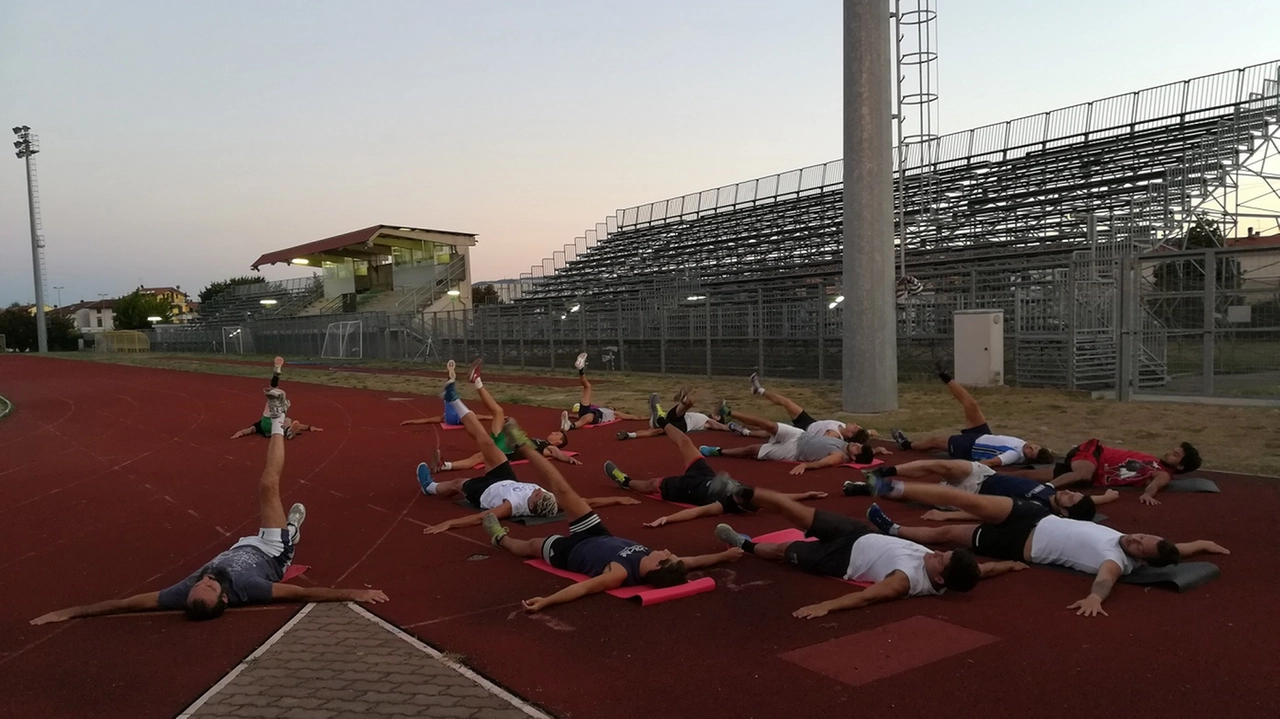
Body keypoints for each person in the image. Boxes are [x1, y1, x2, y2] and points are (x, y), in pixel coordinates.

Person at [30, 389, 389, 625]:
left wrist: (71, 612)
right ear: (225, 599)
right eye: (209, 586)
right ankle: (280, 419)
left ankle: (293, 524)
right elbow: (306, 593)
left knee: (272, 502)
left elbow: (128, 604)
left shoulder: (181, 593)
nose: (205, 579)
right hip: (272, 549)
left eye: (200, 583)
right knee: (267, 485)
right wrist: (354, 592)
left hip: (243, 544)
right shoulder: (250, 588)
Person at [482, 417, 744, 612]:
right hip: (595, 532)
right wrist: (725, 555)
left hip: (569, 552)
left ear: (655, 566)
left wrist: (546, 602)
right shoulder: (664, 565)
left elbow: (583, 588)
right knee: (562, 489)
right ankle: (523, 444)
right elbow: (695, 562)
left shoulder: (619, 574)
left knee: (528, 546)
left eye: (665, 556)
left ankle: (500, 539)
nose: (665, 550)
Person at [861, 478, 1228, 616]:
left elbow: (1104, 580)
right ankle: (888, 486)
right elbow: (1181, 547)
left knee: (947, 536)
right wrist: (1206, 543)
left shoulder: (1115, 560)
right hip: (1031, 515)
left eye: (1141, 546)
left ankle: (893, 528)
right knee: (965, 499)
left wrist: (1096, 598)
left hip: (1019, 544)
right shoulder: (1141, 544)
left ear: (1140, 558)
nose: (1137, 538)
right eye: (1143, 536)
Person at [712, 488, 1022, 619]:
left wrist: (826, 606)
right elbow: (986, 570)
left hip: (839, 560)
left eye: (940, 559)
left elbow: (867, 597)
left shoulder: (905, 581)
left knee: (782, 550)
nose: (937, 553)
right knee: (801, 514)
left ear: (939, 576)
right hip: (860, 533)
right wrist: (1013, 564)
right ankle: (746, 493)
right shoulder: (959, 568)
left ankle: (744, 544)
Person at [417, 381, 638, 534]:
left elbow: (480, 518)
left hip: (485, 491)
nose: (538, 490)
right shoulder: (549, 500)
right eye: (541, 492)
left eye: (536, 494)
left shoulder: (511, 507)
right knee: (485, 442)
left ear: (531, 505)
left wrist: (449, 523)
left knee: (457, 483)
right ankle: (453, 398)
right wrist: (620, 499)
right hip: (506, 477)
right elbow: (587, 502)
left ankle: (430, 487)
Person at [603, 422, 827, 527]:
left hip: (687, 488)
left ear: (739, 503)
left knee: (652, 484)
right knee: (686, 442)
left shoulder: (723, 505)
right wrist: (807, 494)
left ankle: (625, 481)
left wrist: (666, 519)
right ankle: (663, 421)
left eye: (738, 494)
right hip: (704, 473)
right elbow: (779, 499)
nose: (738, 490)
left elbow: (696, 514)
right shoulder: (751, 495)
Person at [843, 459, 1119, 521]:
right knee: (945, 466)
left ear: (1065, 512)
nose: (1070, 492)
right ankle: (885, 472)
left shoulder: (1040, 511)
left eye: (1072, 498)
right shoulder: (1057, 496)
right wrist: (1107, 497)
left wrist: (947, 517)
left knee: (918, 492)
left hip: (972, 497)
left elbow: (988, 515)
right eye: (1075, 493)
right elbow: (1093, 500)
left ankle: (868, 487)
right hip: (983, 475)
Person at [889, 361, 1050, 467]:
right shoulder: (1024, 445)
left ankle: (906, 445)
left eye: (1031, 451)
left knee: (935, 441)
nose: (1031, 447)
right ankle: (943, 375)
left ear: (1028, 458)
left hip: (972, 446)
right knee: (971, 404)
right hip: (983, 434)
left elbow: (993, 462)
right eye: (1035, 447)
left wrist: (973, 468)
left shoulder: (1014, 455)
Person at [432, 359, 574, 472]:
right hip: (506, 439)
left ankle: (444, 466)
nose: (553, 432)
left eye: (557, 434)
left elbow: (558, 454)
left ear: (558, 442)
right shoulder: (541, 441)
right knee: (498, 412)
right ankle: (476, 380)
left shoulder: (549, 448)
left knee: (479, 457)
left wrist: (568, 459)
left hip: (507, 450)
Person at [699, 407, 875, 473]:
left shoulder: (839, 456)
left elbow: (824, 463)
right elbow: (868, 451)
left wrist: (806, 465)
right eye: (859, 444)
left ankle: (718, 451)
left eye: (858, 449)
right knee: (768, 425)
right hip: (798, 435)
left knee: (751, 450)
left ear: (853, 458)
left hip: (793, 451)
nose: (856, 445)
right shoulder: (844, 442)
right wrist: (879, 450)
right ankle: (729, 412)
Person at [1046, 438, 1202, 506]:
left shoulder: (1163, 474)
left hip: (1093, 468)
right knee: (1082, 475)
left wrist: (1148, 494)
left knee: (1031, 475)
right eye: (1172, 450)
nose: (1169, 453)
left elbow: (1155, 485)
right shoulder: (1154, 461)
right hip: (1095, 453)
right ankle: (1044, 489)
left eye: (1175, 455)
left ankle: (1036, 483)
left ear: (1180, 466)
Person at [746, 373, 881, 444]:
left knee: (774, 430)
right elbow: (864, 434)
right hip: (810, 422)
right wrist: (868, 432)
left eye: (856, 427)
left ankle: (745, 432)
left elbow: (823, 444)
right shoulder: (846, 429)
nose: (855, 424)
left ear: (850, 434)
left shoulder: (834, 436)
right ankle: (759, 390)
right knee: (787, 402)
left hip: (803, 432)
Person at [230, 357, 322, 439]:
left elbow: (250, 430)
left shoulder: (260, 425)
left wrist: (241, 432)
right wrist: (309, 427)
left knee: (274, 397)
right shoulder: (279, 421)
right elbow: (299, 425)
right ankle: (288, 431)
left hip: (267, 424)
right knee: (285, 419)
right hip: (275, 422)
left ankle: (276, 379)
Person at [616, 389, 755, 440]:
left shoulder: (709, 422)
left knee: (689, 404)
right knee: (657, 430)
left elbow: (723, 427)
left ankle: (681, 402)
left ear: (719, 418)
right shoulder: (705, 417)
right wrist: (630, 435)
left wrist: (740, 428)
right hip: (678, 424)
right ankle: (630, 435)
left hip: (682, 424)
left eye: (717, 415)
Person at [559, 353, 646, 432]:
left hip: (597, 416)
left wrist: (649, 417)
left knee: (588, 417)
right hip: (589, 412)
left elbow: (633, 417)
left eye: (611, 407)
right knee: (587, 387)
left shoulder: (615, 414)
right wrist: (572, 415)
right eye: (610, 406)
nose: (610, 406)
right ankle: (581, 369)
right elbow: (580, 416)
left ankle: (571, 426)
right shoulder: (600, 409)